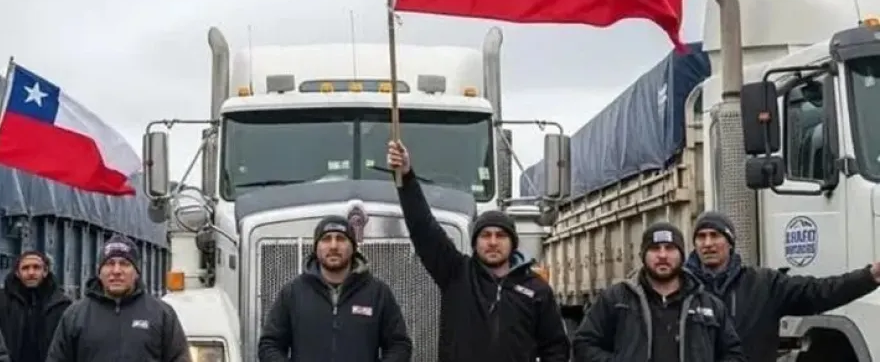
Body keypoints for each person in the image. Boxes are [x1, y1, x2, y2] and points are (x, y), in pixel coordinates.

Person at [387, 141, 570, 362]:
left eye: (500, 236)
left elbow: (556, 349)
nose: (493, 242)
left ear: (513, 243)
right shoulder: (456, 274)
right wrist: (406, 178)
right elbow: (423, 228)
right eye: (485, 235)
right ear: (475, 243)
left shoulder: (537, 290)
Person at [686, 210, 880, 361]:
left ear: (730, 243)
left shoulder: (763, 285)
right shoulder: (681, 289)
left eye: (715, 235)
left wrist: (869, 277)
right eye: (701, 237)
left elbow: (819, 291)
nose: (708, 243)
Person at [572, 222, 745, 362]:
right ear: (643, 255)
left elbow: (733, 353)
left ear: (682, 255)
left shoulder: (709, 305)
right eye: (655, 248)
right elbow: (583, 345)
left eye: (670, 248)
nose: (662, 255)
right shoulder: (616, 299)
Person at [257, 215, 412, 362]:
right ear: (316, 248)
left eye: (341, 239)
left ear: (353, 247)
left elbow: (399, 345)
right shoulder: (292, 293)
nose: (333, 246)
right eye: (325, 239)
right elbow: (269, 345)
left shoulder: (378, 293)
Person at [45, 234, 190, 362]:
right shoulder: (75, 315)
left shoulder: (161, 314)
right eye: (109, 264)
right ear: (99, 272)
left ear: (136, 272)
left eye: (125, 264)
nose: (116, 271)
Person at [0, 224, 72, 362]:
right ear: (17, 273)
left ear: (45, 271)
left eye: (36, 268)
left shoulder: (62, 306)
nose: (31, 272)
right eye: (25, 268)